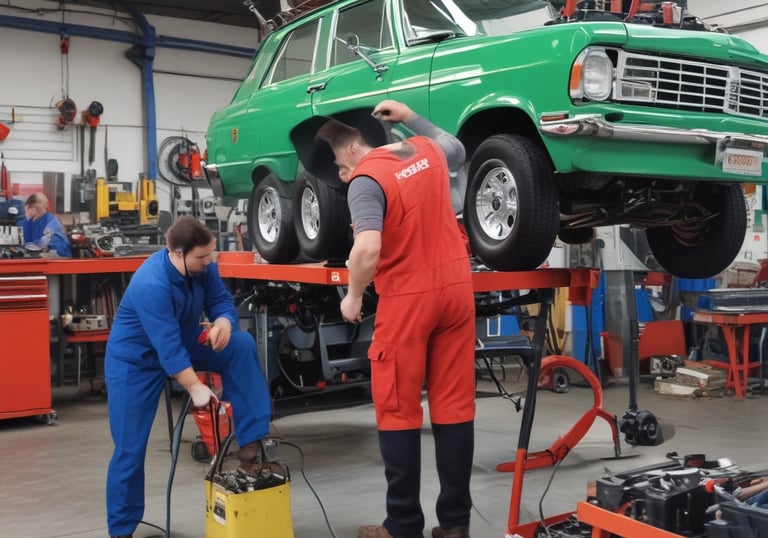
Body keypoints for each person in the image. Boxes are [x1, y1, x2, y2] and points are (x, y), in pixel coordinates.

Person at [316, 100, 476, 538]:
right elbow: (457, 148)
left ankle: (403, 526)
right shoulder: (423, 149)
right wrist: (408, 117)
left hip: (409, 299)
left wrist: (353, 296)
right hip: (457, 290)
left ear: (352, 148)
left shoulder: (366, 180)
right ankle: (455, 525)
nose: (341, 173)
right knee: (454, 404)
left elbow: (367, 248)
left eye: (338, 163)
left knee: (397, 408)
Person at [104, 216, 272, 538]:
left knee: (240, 345)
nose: (209, 262)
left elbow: (220, 300)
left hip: (182, 341)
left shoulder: (202, 266)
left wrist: (223, 322)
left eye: (211, 255)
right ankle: (121, 530)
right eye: (202, 257)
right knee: (129, 448)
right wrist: (194, 387)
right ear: (177, 253)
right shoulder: (151, 284)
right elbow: (167, 347)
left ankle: (251, 447)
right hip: (135, 361)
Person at [19, 192, 71, 256]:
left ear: (45, 205)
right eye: (30, 206)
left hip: (56, 258)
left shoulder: (52, 222)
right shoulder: (25, 223)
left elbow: (45, 243)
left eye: (37, 204)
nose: (32, 209)